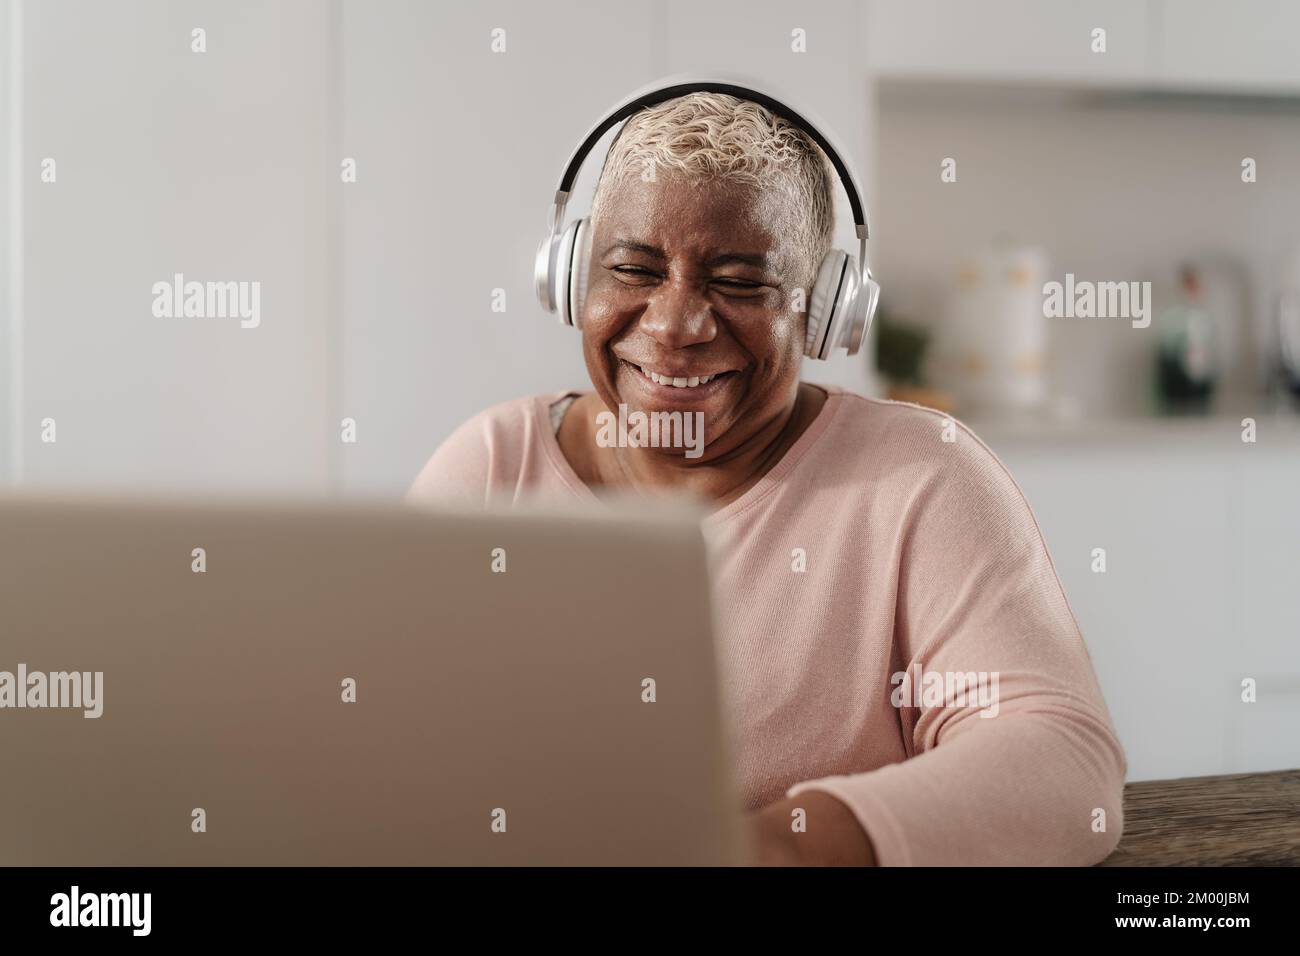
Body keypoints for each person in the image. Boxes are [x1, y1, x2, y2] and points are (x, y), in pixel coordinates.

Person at [408, 90, 1126, 866]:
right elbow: (376, 741)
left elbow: (1061, 765)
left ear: (825, 311)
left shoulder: (922, 477)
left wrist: (764, 851)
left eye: (741, 282)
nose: (676, 324)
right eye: (633, 268)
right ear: (573, 277)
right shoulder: (491, 470)